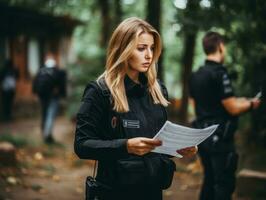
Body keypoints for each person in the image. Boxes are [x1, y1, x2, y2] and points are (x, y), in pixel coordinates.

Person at [74, 17, 197, 200]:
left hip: (153, 193)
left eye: (152, 48)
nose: (149, 55)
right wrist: (126, 146)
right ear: (123, 49)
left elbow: (157, 144)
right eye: (141, 48)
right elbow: (82, 145)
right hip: (114, 193)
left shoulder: (158, 90)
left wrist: (177, 148)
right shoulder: (99, 91)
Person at [189, 31, 261, 200]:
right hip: (220, 137)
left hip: (201, 136)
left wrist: (237, 100)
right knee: (224, 183)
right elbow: (232, 108)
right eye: (225, 47)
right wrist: (251, 104)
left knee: (209, 179)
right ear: (220, 46)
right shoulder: (220, 73)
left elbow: (195, 104)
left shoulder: (195, 75)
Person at [33, 55, 67, 143]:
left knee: (44, 113)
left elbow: (35, 82)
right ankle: (47, 135)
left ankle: (44, 132)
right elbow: (62, 85)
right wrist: (62, 95)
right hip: (53, 96)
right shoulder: (57, 71)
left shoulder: (41, 70)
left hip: (42, 95)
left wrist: (35, 93)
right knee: (50, 114)